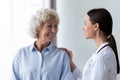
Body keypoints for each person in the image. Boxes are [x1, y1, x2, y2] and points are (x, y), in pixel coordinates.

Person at [11, 8, 74, 80]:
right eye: (49, 26)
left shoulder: (62, 56)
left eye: (56, 26)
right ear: (38, 28)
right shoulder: (21, 55)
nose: (54, 31)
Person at [61, 8, 120, 80]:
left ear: (96, 26)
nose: (83, 28)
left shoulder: (101, 57)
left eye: (85, 23)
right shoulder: (102, 53)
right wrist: (70, 62)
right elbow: (83, 78)